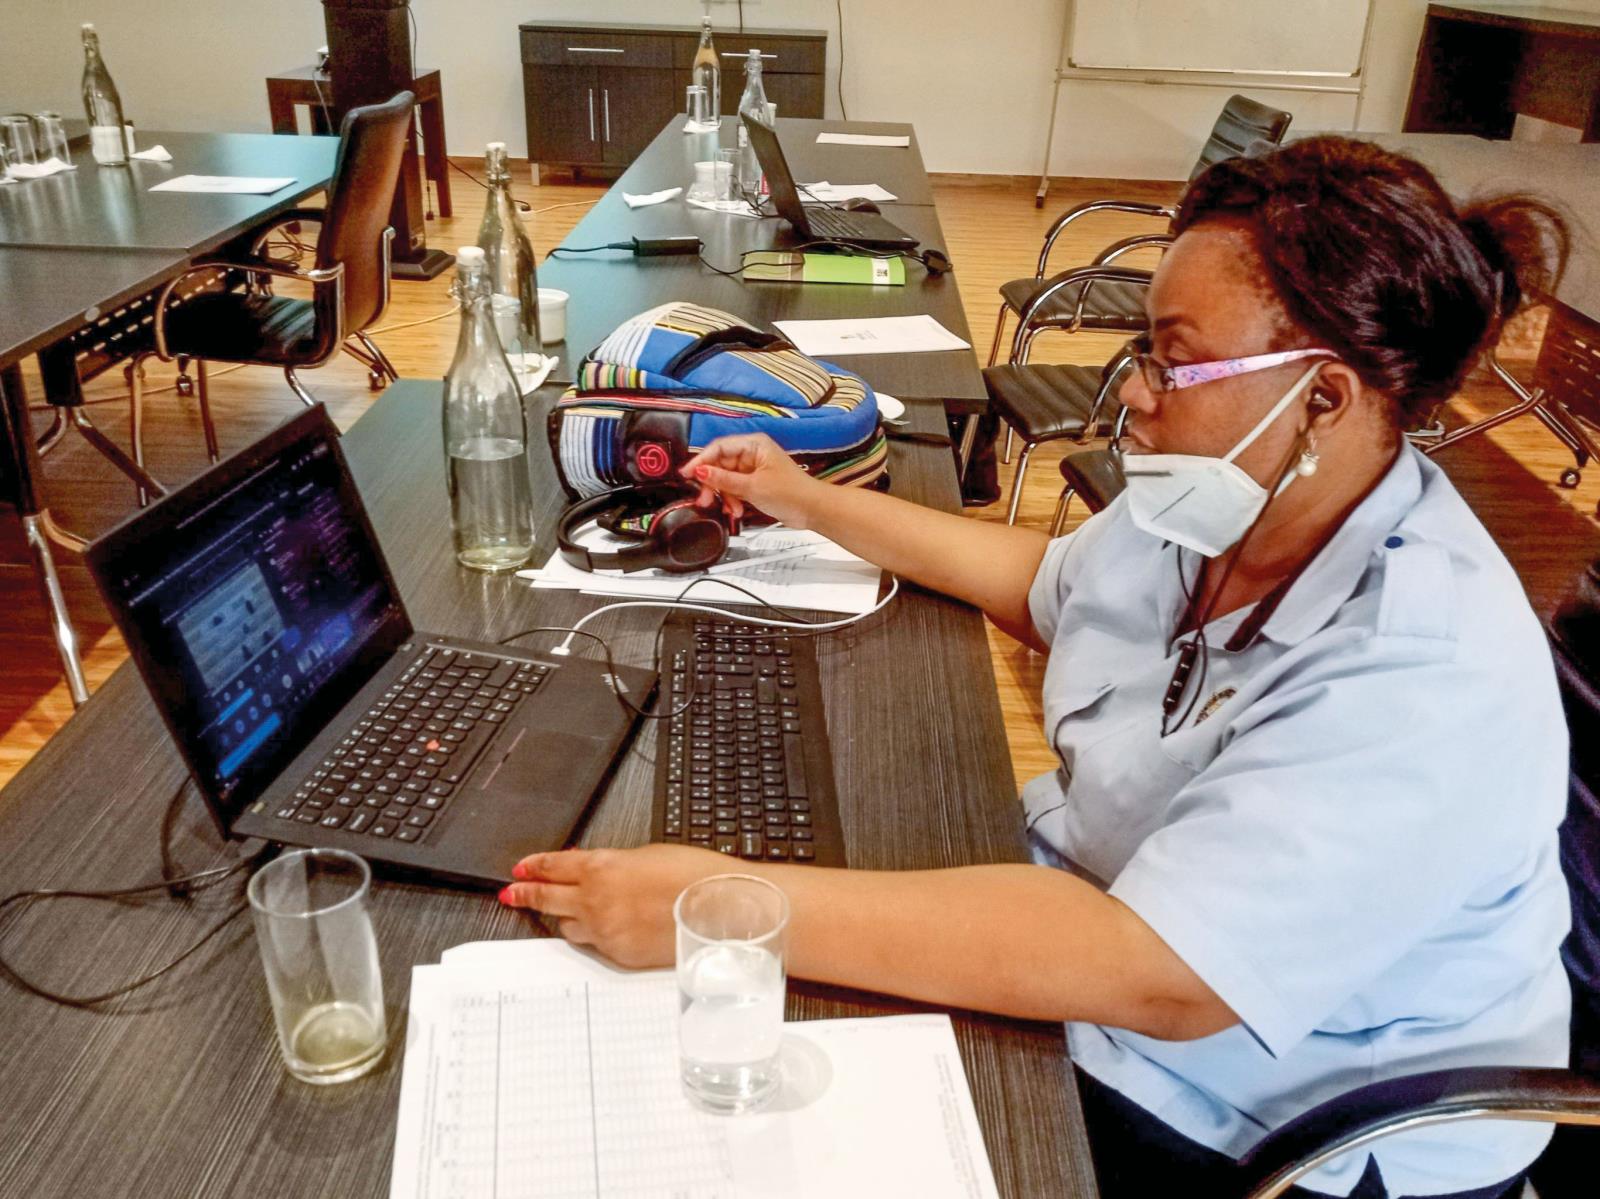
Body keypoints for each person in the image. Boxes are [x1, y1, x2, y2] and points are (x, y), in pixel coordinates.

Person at [501, 137, 1573, 1199]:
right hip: (1096, 943)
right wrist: (804, 497)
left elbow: (1162, 973)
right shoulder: (1228, 493)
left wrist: (726, 908)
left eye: (1173, 360)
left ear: (1323, 399)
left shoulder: (1422, 670)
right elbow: (1047, 583)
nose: (1136, 394)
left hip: (1262, 1115)